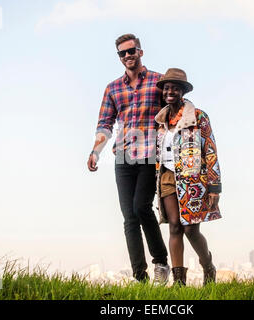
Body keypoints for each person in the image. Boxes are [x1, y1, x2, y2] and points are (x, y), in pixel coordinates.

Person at [87, 34, 170, 283]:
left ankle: (161, 263)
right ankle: (139, 276)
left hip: (149, 156)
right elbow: (105, 124)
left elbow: (173, 109)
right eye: (122, 53)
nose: (127, 56)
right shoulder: (112, 88)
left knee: (141, 207)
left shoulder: (157, 81)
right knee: (129, 217)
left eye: (131, 51)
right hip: (123, 157)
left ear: (140, 52)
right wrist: (95, 151)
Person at [154, 68, 222, 286]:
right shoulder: (161, 121)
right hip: (166, 177)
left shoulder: (199, 117)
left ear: (182, 91)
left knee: (191, 229)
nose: (170, 91)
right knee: (174, 226)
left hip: (192, 180)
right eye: (167, 88)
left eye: (175, 88)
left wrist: (214, 186)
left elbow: (210, 150)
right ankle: (179, 282)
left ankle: (208, 266)